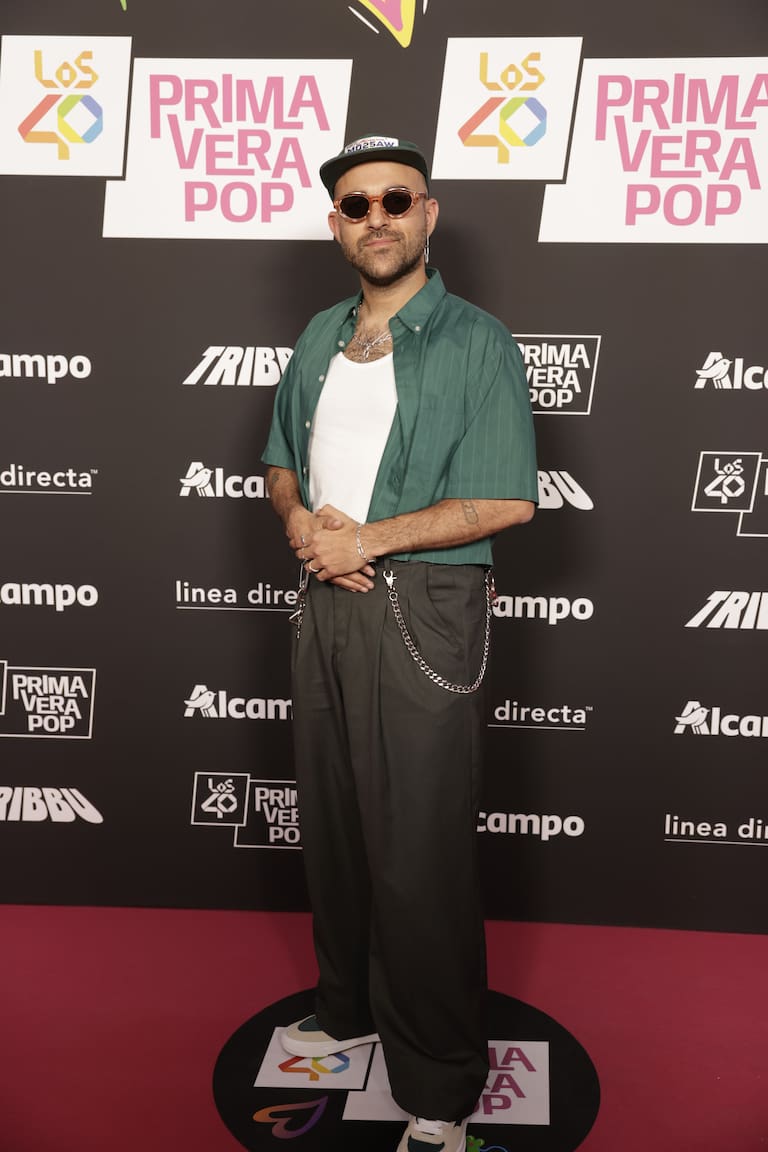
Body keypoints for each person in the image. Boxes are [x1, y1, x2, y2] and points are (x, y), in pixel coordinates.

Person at [261, 134, 537, 1152]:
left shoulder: (475, 340)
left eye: (394, 200)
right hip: (325, 598)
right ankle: (347, 1011)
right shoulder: (318, 335)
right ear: (335, 224)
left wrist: (366, 537)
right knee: (333, 827)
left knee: (417, 851)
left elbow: (510, 497)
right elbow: (281, 463)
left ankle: (437, 1089)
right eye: (354, 204)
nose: (375, 218)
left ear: (428, 213)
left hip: (423, 611)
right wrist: (302, 528)